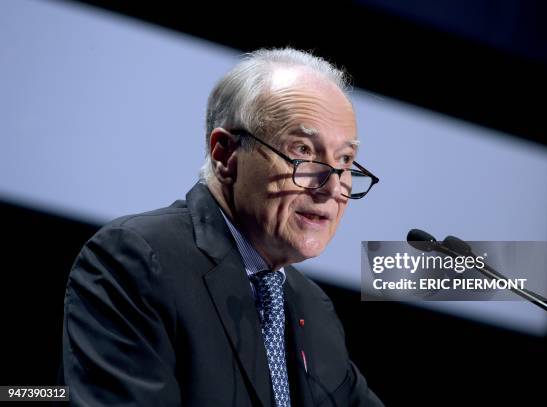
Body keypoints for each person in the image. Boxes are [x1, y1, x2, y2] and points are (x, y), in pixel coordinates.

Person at [61, 47, 383, 406]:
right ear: (225, 155)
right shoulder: (138, 261)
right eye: (303, 151)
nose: (331, 186)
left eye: (345, 159)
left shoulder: (311, 307)